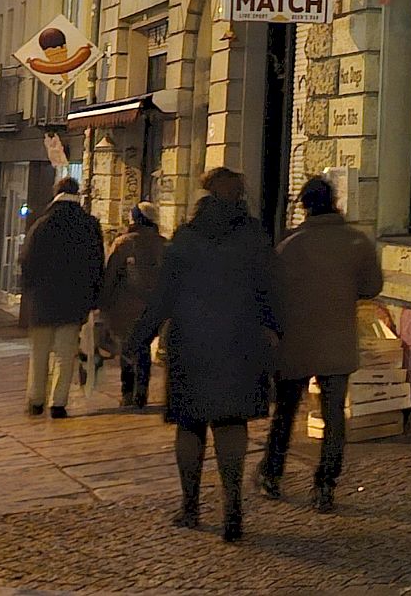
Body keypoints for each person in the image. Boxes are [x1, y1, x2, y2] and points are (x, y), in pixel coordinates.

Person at [125, 168, 277, 543]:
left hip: (191, 343)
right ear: (239, 196)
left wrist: (138, 339)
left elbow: (163, 297)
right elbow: (272, 292)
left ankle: (191, 506)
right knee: (230, 423)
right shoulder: (254, 238)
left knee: (190, 426)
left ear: (205, 197)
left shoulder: (186, 239)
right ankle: (233, 507)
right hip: (239, 344)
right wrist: (276, 335)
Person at [261, 176, 384, 512]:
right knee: (334, 417)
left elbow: (272, 294)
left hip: (296, 341)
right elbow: (371, 287)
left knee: (285, 412)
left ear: (304, 205)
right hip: (336, 339)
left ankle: (271, 474)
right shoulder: (357, 242)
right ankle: (325, 486)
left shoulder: (290, 246)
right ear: (335, 201)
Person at [20, 177, 105, 419]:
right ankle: (58, 403)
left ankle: (36, 400)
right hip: (73, 301)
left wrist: (30, 291)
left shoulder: (43, 224)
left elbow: (27, 261)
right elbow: (97, 265)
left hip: (43, 301)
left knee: (39, 353)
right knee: (65, 353)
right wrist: (93, 299)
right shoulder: (89, 225)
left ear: (56, 193)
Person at [100, 203, 167, 408]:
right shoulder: (165, 245)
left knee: (128, 349)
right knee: (143, 346)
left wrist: (102, 304)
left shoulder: (123, 243)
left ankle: (129, 392)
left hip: (126, 307)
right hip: (155, 307)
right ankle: (141, 390)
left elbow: (110, 275)